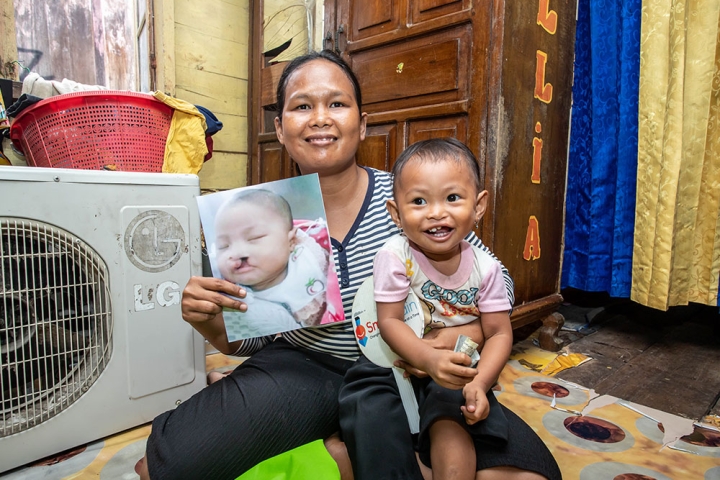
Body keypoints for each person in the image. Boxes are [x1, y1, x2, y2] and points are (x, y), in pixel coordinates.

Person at [136, 49, 561, 480]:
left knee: (524, 477)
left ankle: (345, 450)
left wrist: (455, 337)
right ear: (281, 129)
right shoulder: (260, 215)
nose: (320, 118)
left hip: (411, 368)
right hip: (305, 367)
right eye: (302, 106)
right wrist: (208, 319)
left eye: (336, 103)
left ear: (362, 123)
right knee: (161, 467)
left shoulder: (409, 199)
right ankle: (341, 448)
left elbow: (490, 285)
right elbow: (249, 341)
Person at [368, 137, 514, 480]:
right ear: (396, 213)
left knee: (453, 415)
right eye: (419, 201)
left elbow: (499, 332)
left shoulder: (487, 268)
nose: (436, 212)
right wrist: (427, 358)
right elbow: (388, 322)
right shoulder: (394, 257)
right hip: (402, 362)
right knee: (375, 416)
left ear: (478, 206)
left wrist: (480, 382)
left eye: (452, 198)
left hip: (462, 368)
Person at [213, 188, 329, 332]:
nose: (237, 252)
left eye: (254, 237)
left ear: (291, 241)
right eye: (224, 246)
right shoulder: (233, 298)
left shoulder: (314, 255)